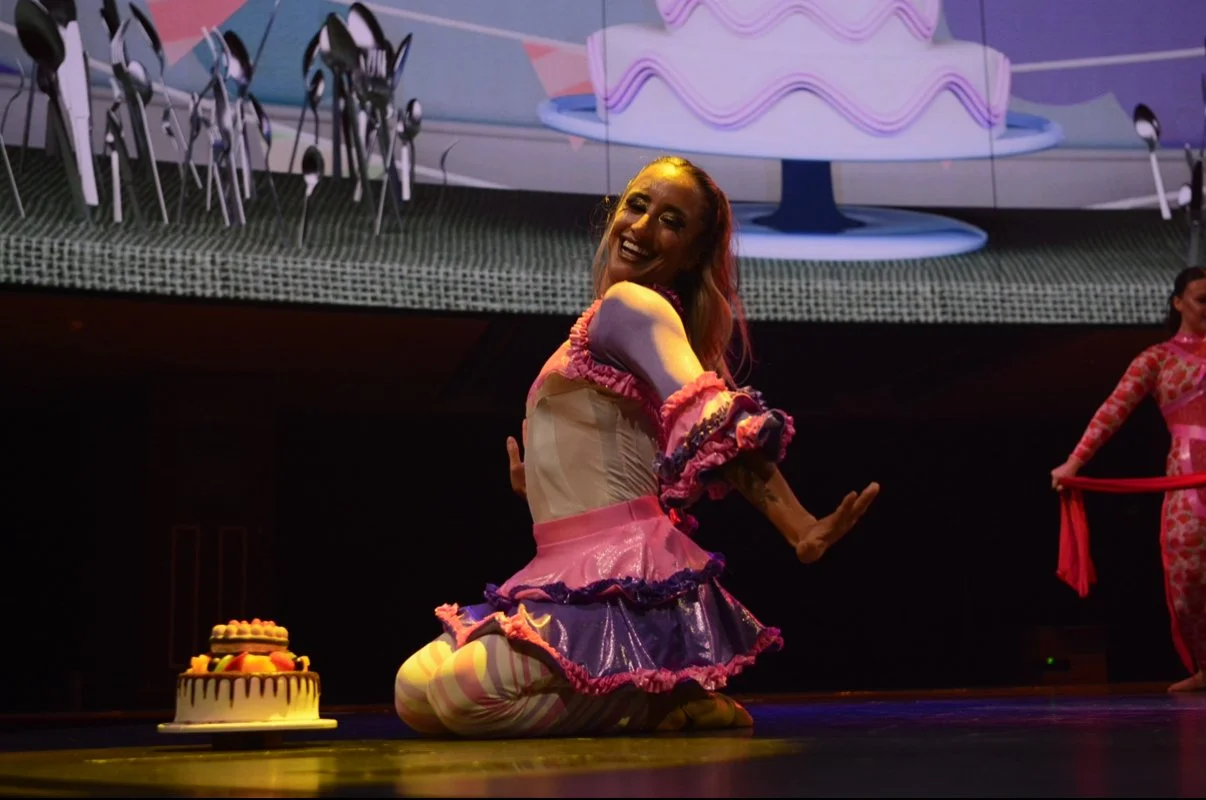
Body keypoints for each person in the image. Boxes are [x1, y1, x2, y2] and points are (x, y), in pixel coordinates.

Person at [394, 156, 880, 737]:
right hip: (564, 563)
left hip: (618, 571)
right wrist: (545, 480)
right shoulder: (607, 320)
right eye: (638, 206)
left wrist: (799, 525)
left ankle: (666, 704)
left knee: (459, 695)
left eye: (671, 222)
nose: (643, 227)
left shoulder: (634, 304)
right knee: (414, 691)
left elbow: (711, 413)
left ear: (691, 255)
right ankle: (660, 698)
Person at [1051, 265, 1206, 693]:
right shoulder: (1157, 359)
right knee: (1187, 583)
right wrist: (1073, 463)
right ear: (1178, 303)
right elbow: (1112, 412)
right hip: (1186, 481)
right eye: (1202, 300)